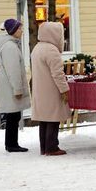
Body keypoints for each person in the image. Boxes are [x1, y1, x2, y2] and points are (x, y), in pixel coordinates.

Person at [31, 22, 70, 156]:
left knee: (44, 119)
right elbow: (58, 74)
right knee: (53, 119)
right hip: (51, 90)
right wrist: (64, 90)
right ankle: (52, 147)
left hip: (40, 90)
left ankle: (44, 147)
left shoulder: (37, 48)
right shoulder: (52, 50)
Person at [0, 19, 31, 152]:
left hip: (9, 87)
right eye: (20, 29)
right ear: (13, 31)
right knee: (13, 116)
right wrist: (17, 89)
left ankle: (11, 143)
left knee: (13, 115)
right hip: (11, 89)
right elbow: (13, 71)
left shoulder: (9, 45)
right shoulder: (10, 47)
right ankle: (11, 144)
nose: (22, 31)